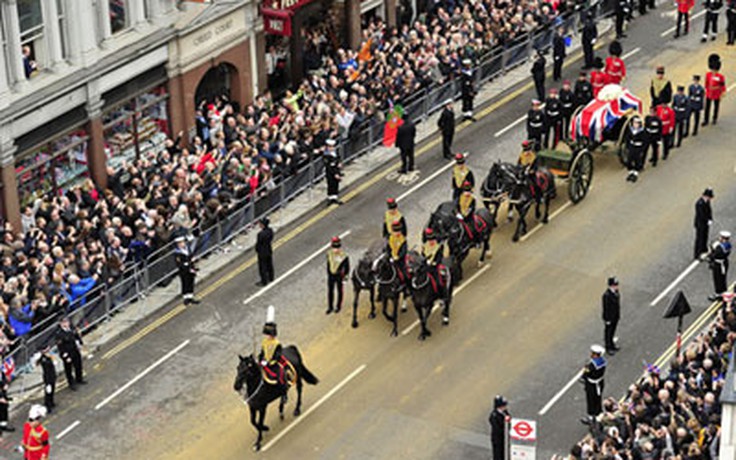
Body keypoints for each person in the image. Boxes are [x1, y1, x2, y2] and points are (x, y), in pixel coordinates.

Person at [259, 306, 288, 393]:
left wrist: (269, 362)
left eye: (270, 334)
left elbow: (277, 356)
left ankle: (284, 392)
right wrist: (260, 359)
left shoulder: (277, 343)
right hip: (265, 363)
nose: (268, 336)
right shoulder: (264, 342)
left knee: (280, 377)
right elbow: (262, 352)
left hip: (273, 364)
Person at [55, 316, 85, 391]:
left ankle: (79, 379)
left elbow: (76, 337)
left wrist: (80, 343)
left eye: (67, 322)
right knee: (68, 369)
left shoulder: (71, 329)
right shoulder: (59, 334)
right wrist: (65, 356)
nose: (66, 323)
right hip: (68, 353)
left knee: (78, 365)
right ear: (61, 324)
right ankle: (71, 383)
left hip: (75, 350)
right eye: (64, 322)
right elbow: (60, 347)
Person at [581, 344, 606, 425]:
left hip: (592, 384)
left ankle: (591, 417)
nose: (591, 354)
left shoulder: (592, 364)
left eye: (592, 353)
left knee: (591, 400)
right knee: (598, 398)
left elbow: (587, 373)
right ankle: (599, 413)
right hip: (600, 382)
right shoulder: (603, 361)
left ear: (596, 354)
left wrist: (585, 372)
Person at [326, 236, 350, 314]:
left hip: (339, 275)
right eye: (334, 248)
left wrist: (345, 277)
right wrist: (329, 274)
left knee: (339, 291)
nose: (336, 250)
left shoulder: (344, 256)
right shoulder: (329, 254)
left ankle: (338, 306)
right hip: (331, 275)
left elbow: (347, 268)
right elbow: (328, 264)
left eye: (337, 247)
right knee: (330, 291)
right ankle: (330, 307)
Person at [174, 236, 200, 304]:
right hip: (184, 271)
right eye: (181, 243)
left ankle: (191, 297)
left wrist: (193, 263)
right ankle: (186, 298)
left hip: (191, 268)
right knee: (185, 283)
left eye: (183, 242)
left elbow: (191, 256)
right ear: (178, 244)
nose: (183, 243)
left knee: (191, 282)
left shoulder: (187, 248)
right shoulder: (177, 253)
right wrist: (189, 265)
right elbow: (180, 264)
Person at [706, 231, 731, 301]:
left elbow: (716, 254)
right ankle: (722, 292)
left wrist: (712, 250)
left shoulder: (723, 246)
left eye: (721, 237)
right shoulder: (725, 245)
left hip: (719, 264)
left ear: (723, 238)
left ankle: (719, 294)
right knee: (721, 279)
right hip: (722, 263)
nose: (719, 238)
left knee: (718, 279)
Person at [703, 54, 726, 126]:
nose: (713, 71)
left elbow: (722, 85)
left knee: (716, 107)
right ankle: (706, 120)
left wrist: (722, 92)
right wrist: (706, 90)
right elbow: (706, 83)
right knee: (707, 107)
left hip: (716, 93)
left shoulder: (720, 76)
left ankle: (714, 118)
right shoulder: (708, 74)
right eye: (713, 69)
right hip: (709, 93)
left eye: (715, 69)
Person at [602, 277, 621, 355]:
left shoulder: (616, 292)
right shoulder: (606, 295)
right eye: (614, 285)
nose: (616, 286)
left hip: (615, 316)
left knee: (613, 331)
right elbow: (606, 308)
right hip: (609, 318)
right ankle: (608, 347)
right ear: (610, 286)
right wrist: (607, 320)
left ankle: (612, 345)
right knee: (608, 333)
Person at [694, 188, 714, 259]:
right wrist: (707, 220)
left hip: (705, 223)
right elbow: (701, 215)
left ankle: (704, 249)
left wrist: (710, 218)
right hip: (700, 223)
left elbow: (709, 210)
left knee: (705, 236)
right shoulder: (699, 203)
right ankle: (697, 254)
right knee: (699, 238)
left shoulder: (707, 202)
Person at [625, 116, 646, 182]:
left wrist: (642, 149)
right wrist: (628, 146)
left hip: (638, 147)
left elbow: (645, 141)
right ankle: (630, 173)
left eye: (637, 123)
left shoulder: (642, 131)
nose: (635, 125)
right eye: (634, 123)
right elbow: (627, 138)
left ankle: (635, 174)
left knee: (637, 161)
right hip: (632, 146)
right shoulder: (631, 130)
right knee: (629, 160)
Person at [489, 395, 510, 460]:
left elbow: (509, 418)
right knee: (498, 455)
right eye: (503, 405)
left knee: (505, 453)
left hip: (505, 438)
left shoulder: (504, 412)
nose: (505, 407)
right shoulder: (494, 416)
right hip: (498, 439)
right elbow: (497, 428)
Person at [36, 347, 56, 413]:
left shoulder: (48, 357)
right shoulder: (43, 359)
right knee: (48, 391)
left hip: (52, 375)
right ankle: (48, 406)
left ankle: (51, 402)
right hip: (48, 377)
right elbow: (48, 364)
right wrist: (50, 358)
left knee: (52, 389)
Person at [256, 217, 275, 286]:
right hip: (268, 250)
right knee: (269, 264)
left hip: (262, 252)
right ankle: (271, 277)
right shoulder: (270, 231)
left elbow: (259, 244)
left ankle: (264, 281)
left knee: (263, 267)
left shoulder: (260, 234)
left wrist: (257, 249)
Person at [324, 139, 343, 205]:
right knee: (331, 184)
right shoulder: (326, 155)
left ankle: (335, 197)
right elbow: (329, 166)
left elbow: (338, 158)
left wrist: (340, 163)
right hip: (330, 173)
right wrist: (335, 174)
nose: (332, 148)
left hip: (336, 170)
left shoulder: (335, 152)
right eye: (330, 147)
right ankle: (330, 198)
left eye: (332, 146)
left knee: (336, 184)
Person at [0, 367, 13, 433]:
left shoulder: (1, 373)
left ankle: (3, 426)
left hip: (3, 395)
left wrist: (5, 384)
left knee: (4, 411)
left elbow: (4, 380)